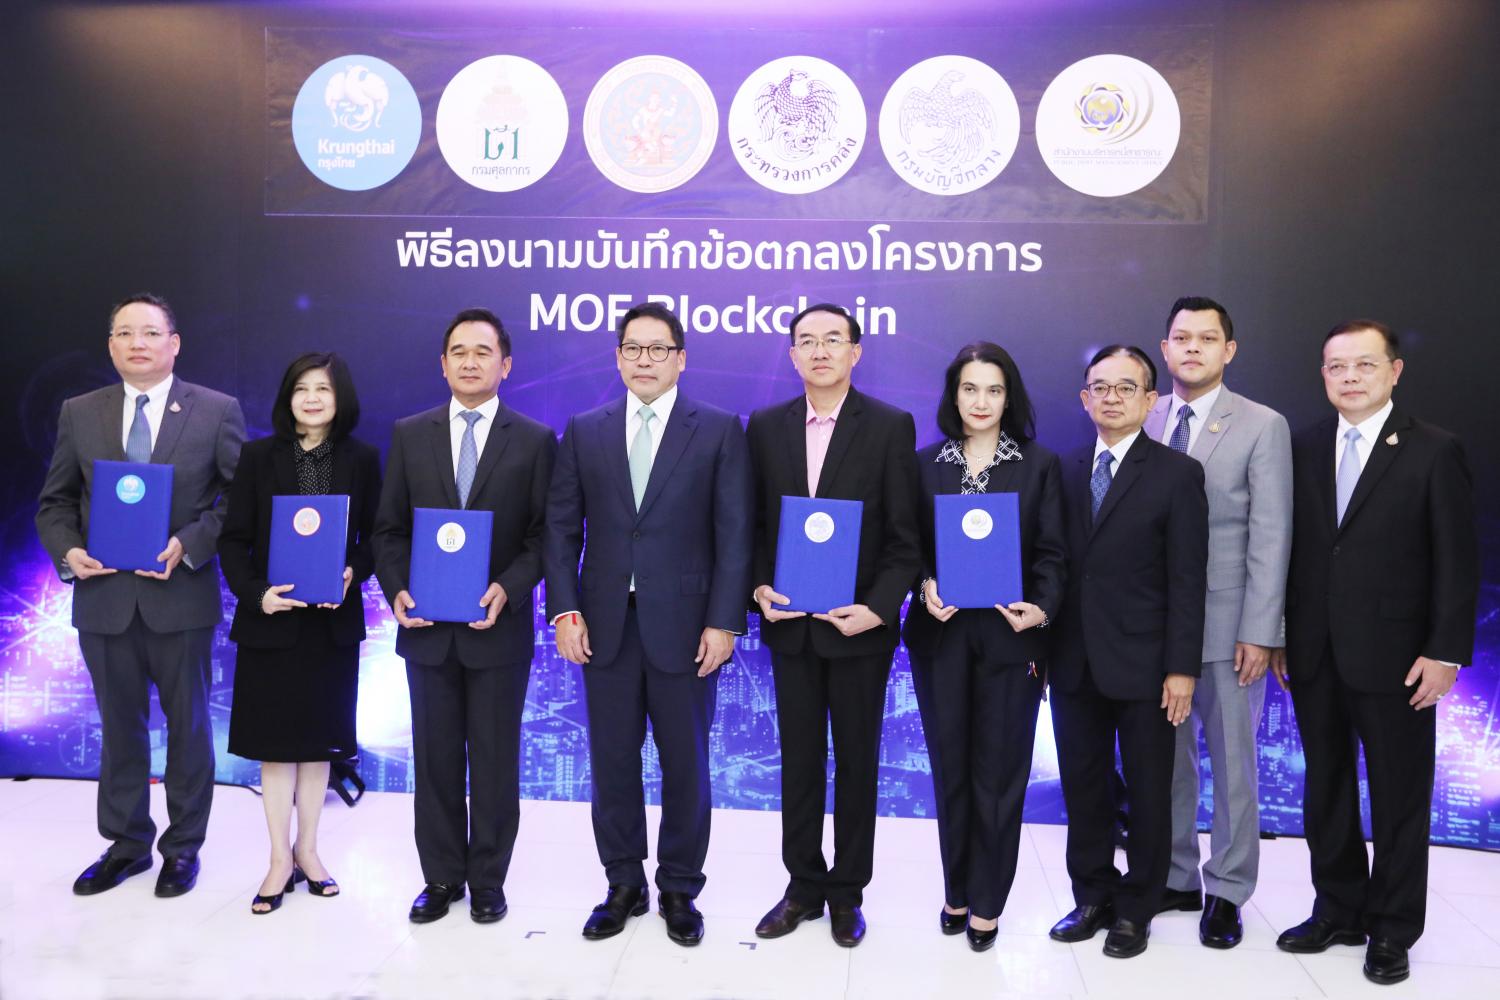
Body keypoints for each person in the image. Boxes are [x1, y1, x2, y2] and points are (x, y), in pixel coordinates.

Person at [1272, 320, 1477, 986]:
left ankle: (1391, 929)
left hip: (1398, 657)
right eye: (1337, 367)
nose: (1350, 377)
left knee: (1398, 798)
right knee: (1324, 789)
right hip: (1312, 651)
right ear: (1323, 375)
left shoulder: (1434, 450)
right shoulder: (1300, 447)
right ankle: (1338, 909)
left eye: (1364, 365)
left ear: (1394, 372)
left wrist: (1445, 651)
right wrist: (1278, 631)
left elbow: (1456, 559)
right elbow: (1290, 549)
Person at [544, 302, 753, 947]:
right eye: (633, 348)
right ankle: (622, 883)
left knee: (686, 763)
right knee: (611, 762)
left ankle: (680, 886)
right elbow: (560, 526)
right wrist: (565, 607)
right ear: (617, 356)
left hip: (688, 627)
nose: (644, 360)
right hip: (603, 626)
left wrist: (724, 622)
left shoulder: (717, 430)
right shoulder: (586, 428)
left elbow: (735, 534)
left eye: (659, 349)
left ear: (681, 358)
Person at [35, 292, 245, 898]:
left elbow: (236, 501)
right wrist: (68, 551)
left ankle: (183, 849)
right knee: (119, 728)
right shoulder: (80, 412)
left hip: (178, 596)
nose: (137, 343)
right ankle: (126, 845)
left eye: (150, 332)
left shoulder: (214, 410)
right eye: (124, 333)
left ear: (173, 343)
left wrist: (190, 543)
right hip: (103, 600)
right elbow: (54, 503)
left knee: (189, 727)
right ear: (111, 346)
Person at [372, 308, 557, 925]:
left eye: (483, 352)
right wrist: (397, 589)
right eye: (459, 351)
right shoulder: (410, 433)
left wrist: (508, 586)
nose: (470, 361)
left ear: (505, 365)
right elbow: (389, 529)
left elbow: (544, 537)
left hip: (496, 630)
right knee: (437, 758)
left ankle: (487, 879)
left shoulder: (533, 440)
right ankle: (441, 877)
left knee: (496, 760)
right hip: (426, 631)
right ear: (443, 364)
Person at [747, 303, 921, 948]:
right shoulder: (766, 427)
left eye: (833, 340)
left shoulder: (888, 426)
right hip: (791, 628)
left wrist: (877, 608)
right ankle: (802, 887)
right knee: (798, 762)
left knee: (855, 762)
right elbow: (754, 527)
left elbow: (905, 539)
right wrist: (758, 587)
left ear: (856, 351)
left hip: (859, 631)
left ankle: (848, 892)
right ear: (792, 356)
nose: (819, 351)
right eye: (806, 342)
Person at [902, 341, 1065, 952]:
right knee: (950, 771)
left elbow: (1053, 552)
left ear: (1009, 397)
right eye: (969, 388)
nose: (980, 401)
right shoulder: (924, 465)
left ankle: (988, 902)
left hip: (1009, 638)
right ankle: (956, 889)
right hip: (940, 635)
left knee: (998, 775)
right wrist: (923, 584)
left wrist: (1042, 606)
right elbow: (906, 544)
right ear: (953, 395)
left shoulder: (1037, 465)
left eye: (993, 389)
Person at [1047, 345, 1207, 959]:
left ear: (1149, 399)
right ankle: (1091, 896)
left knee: (1147, 792)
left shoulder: (1176, 473)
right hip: (1072, 660)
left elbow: (1187, 580)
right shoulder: (1060, 469)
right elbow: (1053, 566)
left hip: (1147, 667)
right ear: (1084, 398)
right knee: (1083, 786)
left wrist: (1181, 668)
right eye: (1099, 387)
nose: (1111, 397)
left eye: (1126, 387)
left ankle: (1137, 908)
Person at [1144, 297, 1292, 948]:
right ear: (1165, 347)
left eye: (1208, 338)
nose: (1194, 348)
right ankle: (1176, 876)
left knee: (1233, 765)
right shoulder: (1139, 415)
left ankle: (1228, 890)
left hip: (1230, 627)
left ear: (1228, 351)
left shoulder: (1261, 425)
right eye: (1182, 338)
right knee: (1164, 762)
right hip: (1150, 628)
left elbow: (1272, 532)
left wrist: (1263, 629)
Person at [217, 352, 382, 914]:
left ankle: (308, 851)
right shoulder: (259, 456)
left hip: (330, 624)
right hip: (272, 619)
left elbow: (375, 537)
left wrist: (354, 569)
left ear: (342, 400)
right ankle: (277, 860)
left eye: (324, 390)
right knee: (275, 746)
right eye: (301, 389)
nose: (312, 398)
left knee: (317, 745)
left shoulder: (362, 459)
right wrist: (256, 592)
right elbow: (233, 539)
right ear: (288, 398)